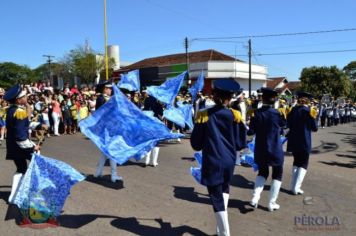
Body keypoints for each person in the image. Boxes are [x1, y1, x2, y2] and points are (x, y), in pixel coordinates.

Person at [190, 79, 246, 236]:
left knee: (216, 198)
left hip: (213, 160)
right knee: (224, 189)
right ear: (230, 97)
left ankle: (224, 233)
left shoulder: (204, 116)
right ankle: (220, 230)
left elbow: (196, 144)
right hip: (229, 161)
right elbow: (241, 143)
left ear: (214, 95)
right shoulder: (235, 115)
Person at [249, 88, 286, 212]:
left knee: (262, 173)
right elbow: (284, 124)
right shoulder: (277, 113)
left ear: (262, 99)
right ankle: (271, 203)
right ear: (274, 100)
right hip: (275, 148)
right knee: (278, 173)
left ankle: (255, 198)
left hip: (261, 148)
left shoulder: (256, 113)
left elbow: (251, 131)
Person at [4, 85, 40, 204]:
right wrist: (32, 146)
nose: (26, 97)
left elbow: (24, 125)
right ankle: (30, 193)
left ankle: (14, 197)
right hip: (20, 147)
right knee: (37, 166)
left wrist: (39, 126)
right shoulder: (19, 112)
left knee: (21, 169)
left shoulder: (12, 110)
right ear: (18, 100)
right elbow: (20, 135)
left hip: (14, 147)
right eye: (24, 96)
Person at [287, 91, 318, 195]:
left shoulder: (293, 110)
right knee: (303, 163)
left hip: (294, 140)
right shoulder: (309, 111)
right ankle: (296, 187)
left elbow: (288, 124)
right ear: (308, 100)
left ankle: (292, 186)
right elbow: (315, 128)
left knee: (296, 162)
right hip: (304, 140)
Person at [94, 81, 122, 182]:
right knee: (112, 152)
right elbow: (103, 114)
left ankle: (98, 173)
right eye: (110, 89)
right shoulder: (102, 99)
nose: (111, 91)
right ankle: (114, 175)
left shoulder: (103, 98)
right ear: (105, 88)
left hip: (105, 129)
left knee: (104, 153)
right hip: (107, 129)